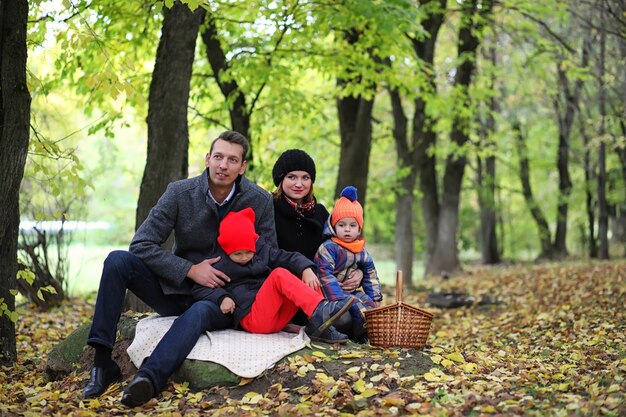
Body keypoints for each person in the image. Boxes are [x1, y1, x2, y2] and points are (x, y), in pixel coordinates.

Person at [82, 131, 277, 408]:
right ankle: (102, 364)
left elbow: (268, 258)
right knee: (117, 260)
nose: (224, 165)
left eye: (232, 160)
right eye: (218, 157)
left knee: (200, 310)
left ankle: (149, 379)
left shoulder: (259, 200)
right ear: (208, 159)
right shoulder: (179, 192)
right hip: (175, 290)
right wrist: (189, 270)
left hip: (222, 302)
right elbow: (141, 244)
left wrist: (234, 290)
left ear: (242, 167)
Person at [191, 208, 353, 342]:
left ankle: (319, 325)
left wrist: (306, 269)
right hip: (254, 319)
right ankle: (321, 310)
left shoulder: (261, 251)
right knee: (278, 275)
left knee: (302, 277)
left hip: (276, 316)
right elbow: (199, 288)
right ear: (227, 250)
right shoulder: (220, 263)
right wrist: (222, 297)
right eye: (238, 254)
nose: (244, 257)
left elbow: (288, 257)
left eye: (248, 252)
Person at [271, 149, 363, 327]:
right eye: (292, 177)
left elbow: (342, 247)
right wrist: (302, 268)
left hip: (319, 289)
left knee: (354, 318)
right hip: (285, 291)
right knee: (341, 322)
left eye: (305, 177)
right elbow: (268, 254)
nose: (299, 184)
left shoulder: (320, 213)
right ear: (280, 179)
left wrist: (358, 272)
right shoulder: (270, 209)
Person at [314, 186, 382, 341]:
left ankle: (373, 332)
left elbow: (370, 272)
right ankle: (359, 335)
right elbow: (324, 273)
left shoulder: (360, 249)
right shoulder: (329, 248)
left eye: (352, 226)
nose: (347, 230)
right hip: (331, 294)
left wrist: (375, 296)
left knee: (367, 302)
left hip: (350, 292)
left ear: (359, 229)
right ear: (333, 226)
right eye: (342, 225)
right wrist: (338, 299)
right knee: (357, 305)